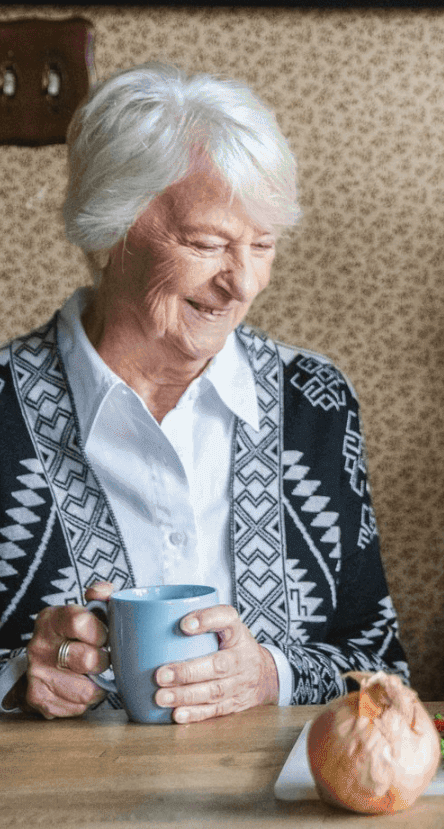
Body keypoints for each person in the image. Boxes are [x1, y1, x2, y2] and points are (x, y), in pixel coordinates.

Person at [0, 63, 407, 720]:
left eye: (262, 245)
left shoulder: (314, 401)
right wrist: (18, 678)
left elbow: (382, 669)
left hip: (272, 789)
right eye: (208, 244)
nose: (241, 283)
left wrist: (271, 677)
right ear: (111, 230)